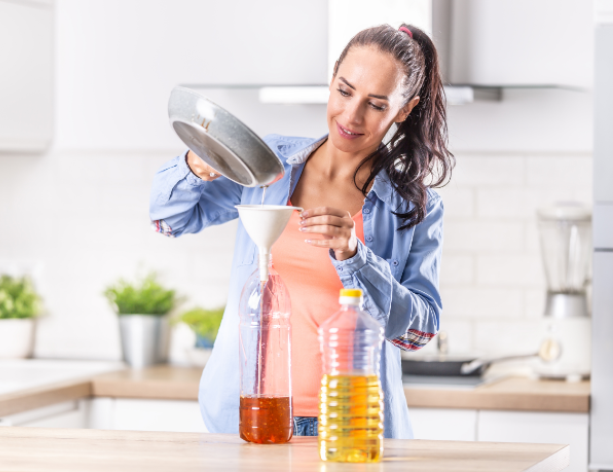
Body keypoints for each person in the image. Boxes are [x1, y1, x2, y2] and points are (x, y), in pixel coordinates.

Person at [149, 24, 453, 439]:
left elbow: (420, 331)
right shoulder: (267, 164)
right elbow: (168, 219)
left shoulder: (414, 206)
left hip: (352, 428)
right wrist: (196, 164)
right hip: (250, 417)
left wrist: (354, 255)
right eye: (345, 91)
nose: (351, 115)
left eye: (376, 105)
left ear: (404, 109)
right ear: (332, 80)